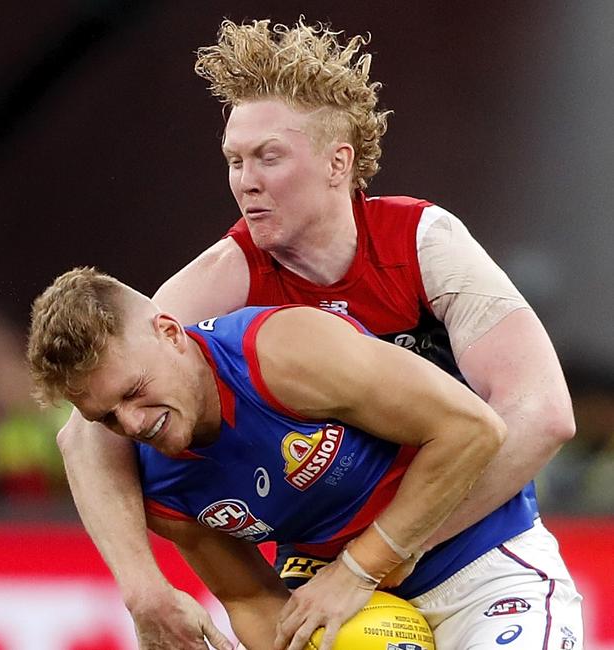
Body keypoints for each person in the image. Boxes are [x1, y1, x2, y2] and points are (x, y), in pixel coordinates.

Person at [54, 18, 578, 650]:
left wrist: (377, 557)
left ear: (338, 162)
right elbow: (89, 434)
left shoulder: (422, 242)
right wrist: (144, 591)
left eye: (269, 156)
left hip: (473, 556)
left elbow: (542, 414)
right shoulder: (222, 278)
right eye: (234, 161)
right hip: (326, 580)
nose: (245, 180)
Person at [28, 267, 583, 650]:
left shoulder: (283, 352)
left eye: (133, 391)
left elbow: (472, 430)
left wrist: (361, 568)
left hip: (480, 564)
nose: (131, 425)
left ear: (171, 333)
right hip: (335, 606)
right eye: (105, 418)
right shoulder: (155, 483)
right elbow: (248, 594)